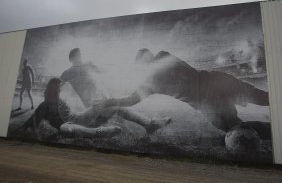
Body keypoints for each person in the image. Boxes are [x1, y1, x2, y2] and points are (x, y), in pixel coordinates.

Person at [97, 48, 270, 135]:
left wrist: (110, 102)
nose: (150, 57)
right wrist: (110, 102)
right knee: (235, 128)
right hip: (208, 97)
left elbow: (131, 99)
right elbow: (131, 100)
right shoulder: (150, 80)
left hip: (213, 85)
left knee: (260, 98)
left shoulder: (162, 59)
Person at [15, 77, 171, 140]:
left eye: (58, 88)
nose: (57, 90)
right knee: (69, 129)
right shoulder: (45, 106)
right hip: (78, 124)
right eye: (55, 88)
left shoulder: (57, 100)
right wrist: (24, 128)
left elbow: (34, 120)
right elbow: (33, 120)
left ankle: (150, 124)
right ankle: (106, 131)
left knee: (114, 105)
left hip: (84, 118)